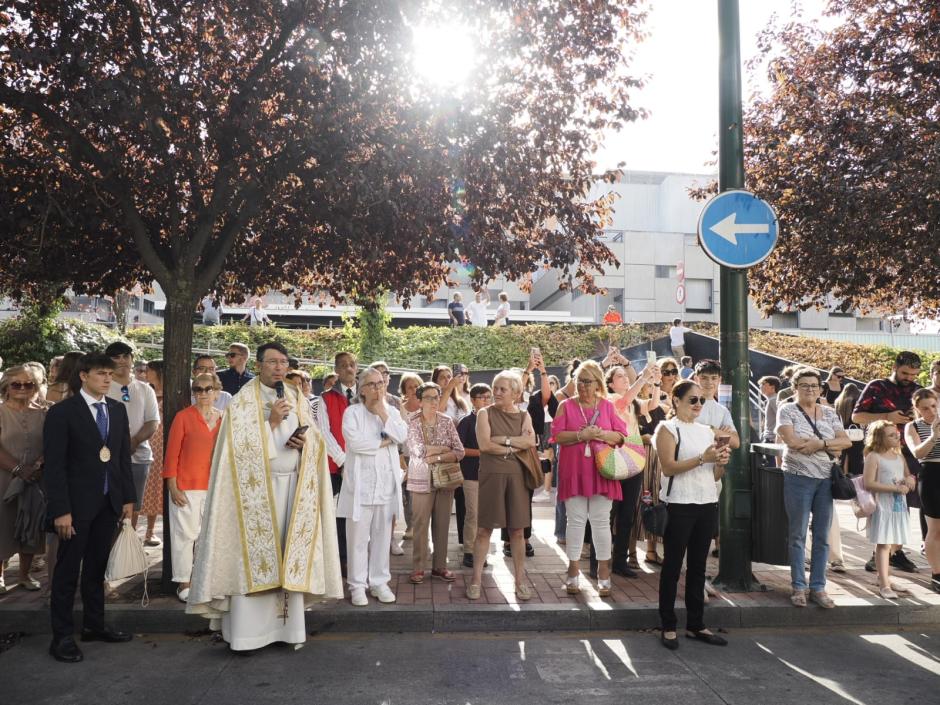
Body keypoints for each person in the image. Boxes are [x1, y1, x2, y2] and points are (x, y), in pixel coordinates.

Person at [186, 342, 343, 651]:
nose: (279, 367)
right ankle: (249, 635)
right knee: (255, 561)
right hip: (255, 496)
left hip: (292, 494)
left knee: (288, 559)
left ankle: (288, 630)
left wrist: (304, 445)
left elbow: (317, 440)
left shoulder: (296, 395)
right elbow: (235, 451)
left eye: (283, 362)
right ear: (259, 365)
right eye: (272, 362)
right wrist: (270, 423)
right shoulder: (244, 400)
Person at [43, 352, 137, 663]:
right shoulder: (62, 413)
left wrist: (127, 499)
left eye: (111, 374)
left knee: (96, 569)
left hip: (109, 504)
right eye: (101, 374)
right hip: (75, 507)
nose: (108, 379)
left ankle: (94, 625)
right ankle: (62, 637)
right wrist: (60, 510)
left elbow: (122, 457)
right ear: (84, 376)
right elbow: (54, 467)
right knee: (67, 573)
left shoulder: (117, 409)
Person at [654, 379, 730, 650]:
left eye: (702, 400)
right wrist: (703, 459)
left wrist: (720, 462)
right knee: (673, 567)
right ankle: (668, 624)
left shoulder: (707, 431)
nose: (699, 404)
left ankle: (697, 624)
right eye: (693, 400)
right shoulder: (667, 428)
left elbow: (715, 474)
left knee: (699, 567)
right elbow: (668, 468)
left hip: (707, 501)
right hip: (680, 503)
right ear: (676, 400)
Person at [776, 367, 851, 609]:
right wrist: (830, 446)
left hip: (826, 479)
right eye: (805, 385)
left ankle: (818, 587)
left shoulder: (829, 413)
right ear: (795, 388)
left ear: (821, 388)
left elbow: (846, 441)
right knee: (797, 534)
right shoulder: (786, 410)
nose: (810, 389)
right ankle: (798, 586)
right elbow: (794, 442)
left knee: (822, 535)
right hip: (798, 477)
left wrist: (819, 442)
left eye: (815, 385)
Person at [550, 360, 627, 597]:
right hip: (574, 471)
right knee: (575, 521)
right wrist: (579, 435)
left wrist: (601, 434)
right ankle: (572, 571)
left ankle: (604, 570)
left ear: (598, 383)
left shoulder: (607, 406)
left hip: (601, 471)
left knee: (601, 521)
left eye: (587, 381)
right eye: (578, 381)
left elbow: (621, 436)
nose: (582, 386)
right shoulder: (566, 405)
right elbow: (557, 436)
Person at [337, 368, 408, 606]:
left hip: (386, 485)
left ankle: (379, 582)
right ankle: (357, 586)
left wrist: (382, 413)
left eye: (381, 383)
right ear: (362, 389)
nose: (379, 388)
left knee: (381, 536)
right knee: (357, 539)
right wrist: (386, 441)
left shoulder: (393, 411)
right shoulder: (352, 412)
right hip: (361, 487)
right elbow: (357, 443)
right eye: (373, 384)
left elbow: (402, 435)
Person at [466, 371, 536, 600]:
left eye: (502, 389)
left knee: (517, 531)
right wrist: (513, 447)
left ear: (516, 393)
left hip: (517, 477)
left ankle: (520, 581)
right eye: (495, 388)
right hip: (491, 476)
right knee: (484, 528)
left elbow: (530, 441)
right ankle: (475, 580)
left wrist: (503, 440)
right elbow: (485, 445)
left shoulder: (525, 415)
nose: (496, 393)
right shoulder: (484, 413)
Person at [852, 350, 922, 574]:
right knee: (881, 502)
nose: (909, 378)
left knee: (903, 500)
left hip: (908, 452)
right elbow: (857, 417)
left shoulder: (917, 390)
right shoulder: (876, 387)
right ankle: (879, 551)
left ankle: (895, 551)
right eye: (905, 373)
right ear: (894, 367)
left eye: (913, 374)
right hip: (880, 451)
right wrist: (887, 417)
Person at [162, 373, 222, 602]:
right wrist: (172, 485)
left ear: (217, 392)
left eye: (208, 389)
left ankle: (206, 581)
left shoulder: (224, 419)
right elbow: (171, 453)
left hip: (214, 487)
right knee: (184, 536)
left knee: (209, 537)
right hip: (185, 485)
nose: (203, 393)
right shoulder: (183, 417)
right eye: (198, 389)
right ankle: (184, 583)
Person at [405, 382, 464, 584]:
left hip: (445, 480)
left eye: (436, 397)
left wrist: (437, 455)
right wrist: (443, 449)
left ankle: (440, 566)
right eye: (428, 397)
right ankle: (418, 568)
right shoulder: (412, 420)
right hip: (420, 480)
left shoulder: (447, 421)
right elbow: (418, 451)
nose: (433, 401)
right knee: (420, 525)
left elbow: (459, 451)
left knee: (442, 524)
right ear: (419, 401)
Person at [606, 363, 658, 577]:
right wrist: (644, 377)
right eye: (619, 376)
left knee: (628, 513)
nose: (625, 378)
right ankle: (601, 559)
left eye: (626, 376)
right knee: (610, 512)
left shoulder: (635, 402)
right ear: (610, 383)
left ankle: (620, 560)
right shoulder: (609, 400)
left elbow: (653, 404)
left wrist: (654, 382)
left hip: (634, 460)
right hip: (615, 458)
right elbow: (623, 400)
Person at [0, 365, 47, 593]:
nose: (22, 388)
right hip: (3, 479)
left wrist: (38, 465)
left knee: (32, 524)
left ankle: (24, 575)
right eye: (16, 384)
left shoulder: (46, 412)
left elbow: (54, 443)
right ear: (6, 387)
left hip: (37, 479)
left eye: (28, 384)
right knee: (3, 525)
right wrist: (19, 468)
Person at [104, 342, 159, 531]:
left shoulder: (145, 389)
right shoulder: (102, 387)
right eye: (115, 357)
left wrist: (134, 441)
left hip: (139, 457)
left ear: (132, 360)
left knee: (133, 510)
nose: (121, 361)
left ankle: (125, 552)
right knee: (107, 508)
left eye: (125, 356)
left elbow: (153, 421)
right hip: (106, 457)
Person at [864, 421, 916, 599]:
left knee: (894, 542)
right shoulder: (873, 457)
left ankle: (883, 577)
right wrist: (894, 488)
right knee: (883, 543)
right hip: (883, 506)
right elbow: (868, 483)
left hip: (898, 506)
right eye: (891, 435)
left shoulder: (898, 456)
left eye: (897, 434)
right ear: (879, 438)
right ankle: (885, 585)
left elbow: (907, 475)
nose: (897, 437)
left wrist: (910, 481)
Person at [319, 350, 359, 569]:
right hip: (337, 467)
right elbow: (324, 432)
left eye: (352, 364)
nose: (348, 368)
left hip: (363, 465)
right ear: (336, 370)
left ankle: (360, 558)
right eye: (343, 365)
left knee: (360, 514)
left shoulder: (365, 395)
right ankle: (342, 560)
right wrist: (344, 461)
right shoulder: (326, 397)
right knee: (340, 515)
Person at [905, 389, 940, 593]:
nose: (931, 411)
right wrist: (934, 436)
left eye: (934, 406)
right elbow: (918, 452)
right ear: (917, 409)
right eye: (925, 408)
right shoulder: (913, 426)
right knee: (934, 528)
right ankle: (936, 574)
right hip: (931, 474)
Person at [456, 384, 492, 568]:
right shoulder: (466, 422)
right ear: (472, 399)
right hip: (471, 474)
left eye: (488, 397)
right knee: (473, 514)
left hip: (492, 475)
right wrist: (482, 452)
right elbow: (459, 449)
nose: (486, 400)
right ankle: (469, 551)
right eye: (482, 397)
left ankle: (482, 550)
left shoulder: (494, 420)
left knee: (486, 516)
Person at [140, 359, 166, 547]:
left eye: (148, 370)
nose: (144, 373)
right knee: (141, 486)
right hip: (143, 439)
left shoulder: (173, 392)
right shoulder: (143, 391)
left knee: (155, 487)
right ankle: (129, 533)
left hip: (162, 443)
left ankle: (149, 532)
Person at [759, 376, 782, 444]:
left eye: (763, 384)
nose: (760, 386)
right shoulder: (771, 400)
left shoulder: (774, 400)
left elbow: (783, 418)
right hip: (769, 437)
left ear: (773, 387)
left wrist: (778, 439)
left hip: (772, 439)